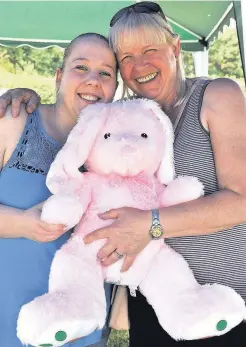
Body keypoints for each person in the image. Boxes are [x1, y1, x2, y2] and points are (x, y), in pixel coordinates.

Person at [1, 2, 246, 346]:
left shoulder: (210, 97)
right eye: (126, 58)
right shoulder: (106, 123)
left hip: (220, 298)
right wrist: (20, 96)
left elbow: (241, 201)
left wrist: (151, 223)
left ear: (176, 47)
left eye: (150, 50)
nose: (139, 65)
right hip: (138, 304)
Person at [0, 32, 117, 347]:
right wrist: (24, 224)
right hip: (6, 328)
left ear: (115, 88)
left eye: (106, 73)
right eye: (81, 67)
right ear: (58, 76)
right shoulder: (13, 120)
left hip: (82, 334)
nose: (93, 80)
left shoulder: (120, 145)